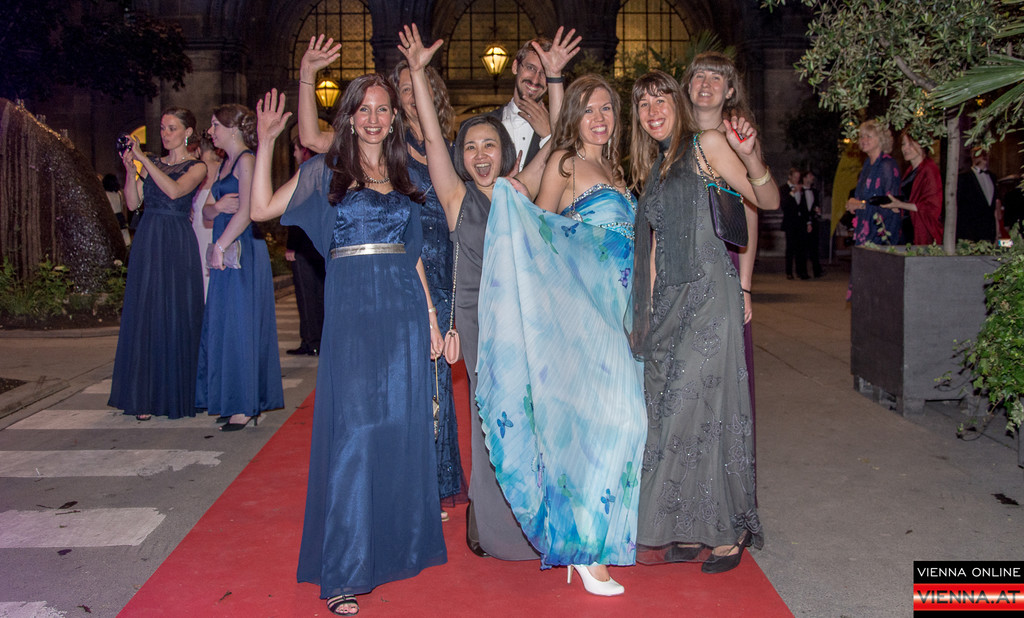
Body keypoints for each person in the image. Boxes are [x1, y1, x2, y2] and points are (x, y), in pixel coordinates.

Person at [250, 81, 446, 616]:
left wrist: (431, 317)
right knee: (355, 432)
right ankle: (344, 568)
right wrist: (266, 141)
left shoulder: (403, 173)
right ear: (350, 117)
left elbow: (412, 252)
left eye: (383, 109)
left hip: (403, 309)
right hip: (354, 310)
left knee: (396, 426)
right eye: (364, 110)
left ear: (394, 117)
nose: (375, 118)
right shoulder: (326, 170)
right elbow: (261, 208)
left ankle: (393, 548)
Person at [397, 23, 578, 561]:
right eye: (471, 146)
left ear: (505, 155)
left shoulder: (519, 192)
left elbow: (561, 142)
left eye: (489, 146)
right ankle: (491, 522)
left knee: (527, 416)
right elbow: (433, 139)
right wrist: (417, 73)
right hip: (478, 321)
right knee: (489, 419)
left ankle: (531, 515)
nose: (480, 154)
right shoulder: (457, 199)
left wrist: (555, 79)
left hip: (524, 317)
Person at [475, 73, 646, 596]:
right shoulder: (565, 163)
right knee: (615, 420)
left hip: (621, 313)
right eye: (589, 109)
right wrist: (513, 195)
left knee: (619, 424)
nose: (599, 118)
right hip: (583, 314)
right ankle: (587, 550)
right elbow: (539, 229)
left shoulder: (620, 170)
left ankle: (591, 540)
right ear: (574, 115)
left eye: (607, 108)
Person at [297, 34, 465, 515]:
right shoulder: (383, 148)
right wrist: (307, 77)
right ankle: (398, 490)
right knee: (393, 389)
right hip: (396, 267)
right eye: (403, 89)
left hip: (438, 266)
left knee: (429, 387)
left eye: (418, 88)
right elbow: (314, 140)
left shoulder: (444, 149)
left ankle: (428, 487)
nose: (410, 97)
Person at [628, 70, 777, 574]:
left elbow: (766, 200)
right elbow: (655, 248)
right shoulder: (657, 166)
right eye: (643, 104)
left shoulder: (705, 144)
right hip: (670, 303)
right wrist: (647, 316)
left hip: (711, 298)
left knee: (699, 410)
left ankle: (730, 530)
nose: (653, 111)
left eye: (660, 99)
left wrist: (752, 157)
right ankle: (692, 526)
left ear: (678, 102)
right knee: (673, 413)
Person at [108, 108, 207, 420]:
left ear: (187, 132)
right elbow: (132, 202)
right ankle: (144, 396)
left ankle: (176, 393)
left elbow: (175, 191)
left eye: (172, 128)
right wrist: (131, 170)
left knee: (175, 312)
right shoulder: (154, 163)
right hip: (148, 238)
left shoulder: (197, 166)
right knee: (146, 312)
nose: (165, 134)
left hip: (176, 241)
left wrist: (144, 160)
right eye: (163, 128)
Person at [195, 103, 284, 431]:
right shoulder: (222, 164)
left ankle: (246, 405)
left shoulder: (246, 160)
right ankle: (230, 398)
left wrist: (220, 245)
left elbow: (248, 211)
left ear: (233, 129)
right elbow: (205, 212)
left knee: (241, 326)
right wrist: (218, 207)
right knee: (223, 325)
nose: (211, 131)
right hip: (225, 249)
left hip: (242, 250)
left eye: (215, 125)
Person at [486, 36, 556, 170]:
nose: (535, 80)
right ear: (515, 67)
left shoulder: (562, 131)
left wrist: (549, 137)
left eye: (545, 73)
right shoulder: (482, 124)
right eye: (530, 68)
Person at [284, 139, 325, 356]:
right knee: (319, 295)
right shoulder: (324, 171)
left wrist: (291, 245)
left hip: (305, 246)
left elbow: (296, 212)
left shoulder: (306, 173)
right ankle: (316, 339)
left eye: (295, 149)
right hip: (321, 245)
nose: (294, 154)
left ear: (305, 150)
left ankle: (312, 341)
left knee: (307, 296)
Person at [844, 119, 903, 246]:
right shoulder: (867, 165)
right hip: (865, 233)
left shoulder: (887, 165)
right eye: (861, 136)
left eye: (869, 136)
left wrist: (860, 205)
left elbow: (891, 204)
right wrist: (853, 203)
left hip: (882, 235)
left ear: (881, 139)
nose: (863, 140)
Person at [886, 133, 942, 245]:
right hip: (908, 229)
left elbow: (932, 206)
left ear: (922, 145)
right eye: (903, 144)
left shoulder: (929, 169)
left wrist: (900, 205)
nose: (905, 148)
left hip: (922, 231)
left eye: (910, 144)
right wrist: (897, 206)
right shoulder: (910, 170)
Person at [191, 135, 224, 299]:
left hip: (197, 229)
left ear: (199, 150)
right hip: (215, 228)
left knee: (198, 273)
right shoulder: (222, 168)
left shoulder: (193, 169)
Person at [956, 148, 998, 242]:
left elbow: (993, 207)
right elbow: (960, 209)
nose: (984, 156)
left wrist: (996, 231)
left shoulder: (993, 177)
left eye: (986, 153)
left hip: (989, 232)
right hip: (971, 233)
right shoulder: (963, 178)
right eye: (980, 153)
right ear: (973, 157)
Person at [781, 167, 810, 280]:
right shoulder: (784, 188)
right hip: (790, 223)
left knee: (801, 248)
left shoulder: (801, 189)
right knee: (790, 248)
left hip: (801, 223)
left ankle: (801, 271)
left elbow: (804, 206)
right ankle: (789, 272)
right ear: (790, 177)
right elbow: (783, 204)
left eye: (798, 177)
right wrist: (792, 193)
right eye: (795, 177)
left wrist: (808, 222)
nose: (797, 179)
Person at [802, 170, 824, 277]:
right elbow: (801, 208)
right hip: (802, 223)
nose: (812, 178)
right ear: (804, 178)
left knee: (814, 247)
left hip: (814, 223)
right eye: (810, 176)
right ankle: (803, 272)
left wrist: (818, 212)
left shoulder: (815, 191)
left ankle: (817, 270)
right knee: (803, 248)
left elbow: (816, 205)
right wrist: (807, 222)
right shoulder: (800, 191)